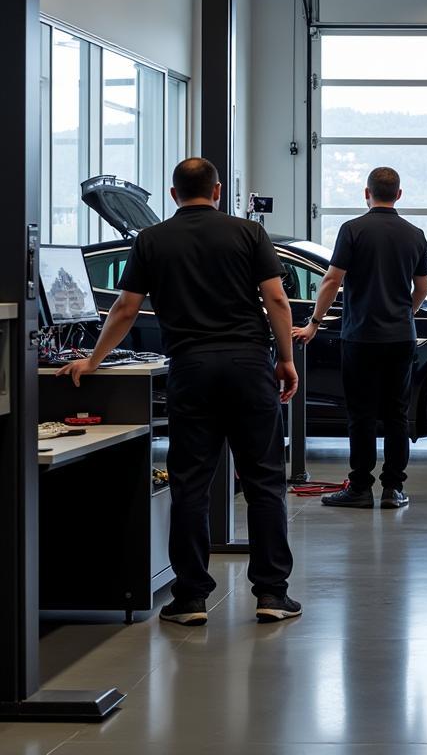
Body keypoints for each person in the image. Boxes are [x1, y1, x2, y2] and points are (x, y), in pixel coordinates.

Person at [58, 157, 301, 627]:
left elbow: (126, 309)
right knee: (264, 482)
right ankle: (271, 593)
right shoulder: (249, 234)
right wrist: (286, 359)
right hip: (249, 366)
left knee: (190, 484)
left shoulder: (151, 239)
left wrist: (93, 360)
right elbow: (275, 298)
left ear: (172, 195)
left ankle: (190, 598)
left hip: (191, 370)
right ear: (217, 191)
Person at [293, 166, 427, 510]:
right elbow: (422, 288)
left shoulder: (352, 230)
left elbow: (331, 280)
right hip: (400, 337)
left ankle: (359, 488)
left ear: (366, 193)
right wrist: (404, 315)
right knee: (397, 414)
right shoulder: (415, 234)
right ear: (399, 194)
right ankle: (393, 490)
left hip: (360, 337)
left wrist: (314, 322)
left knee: (362, 415)